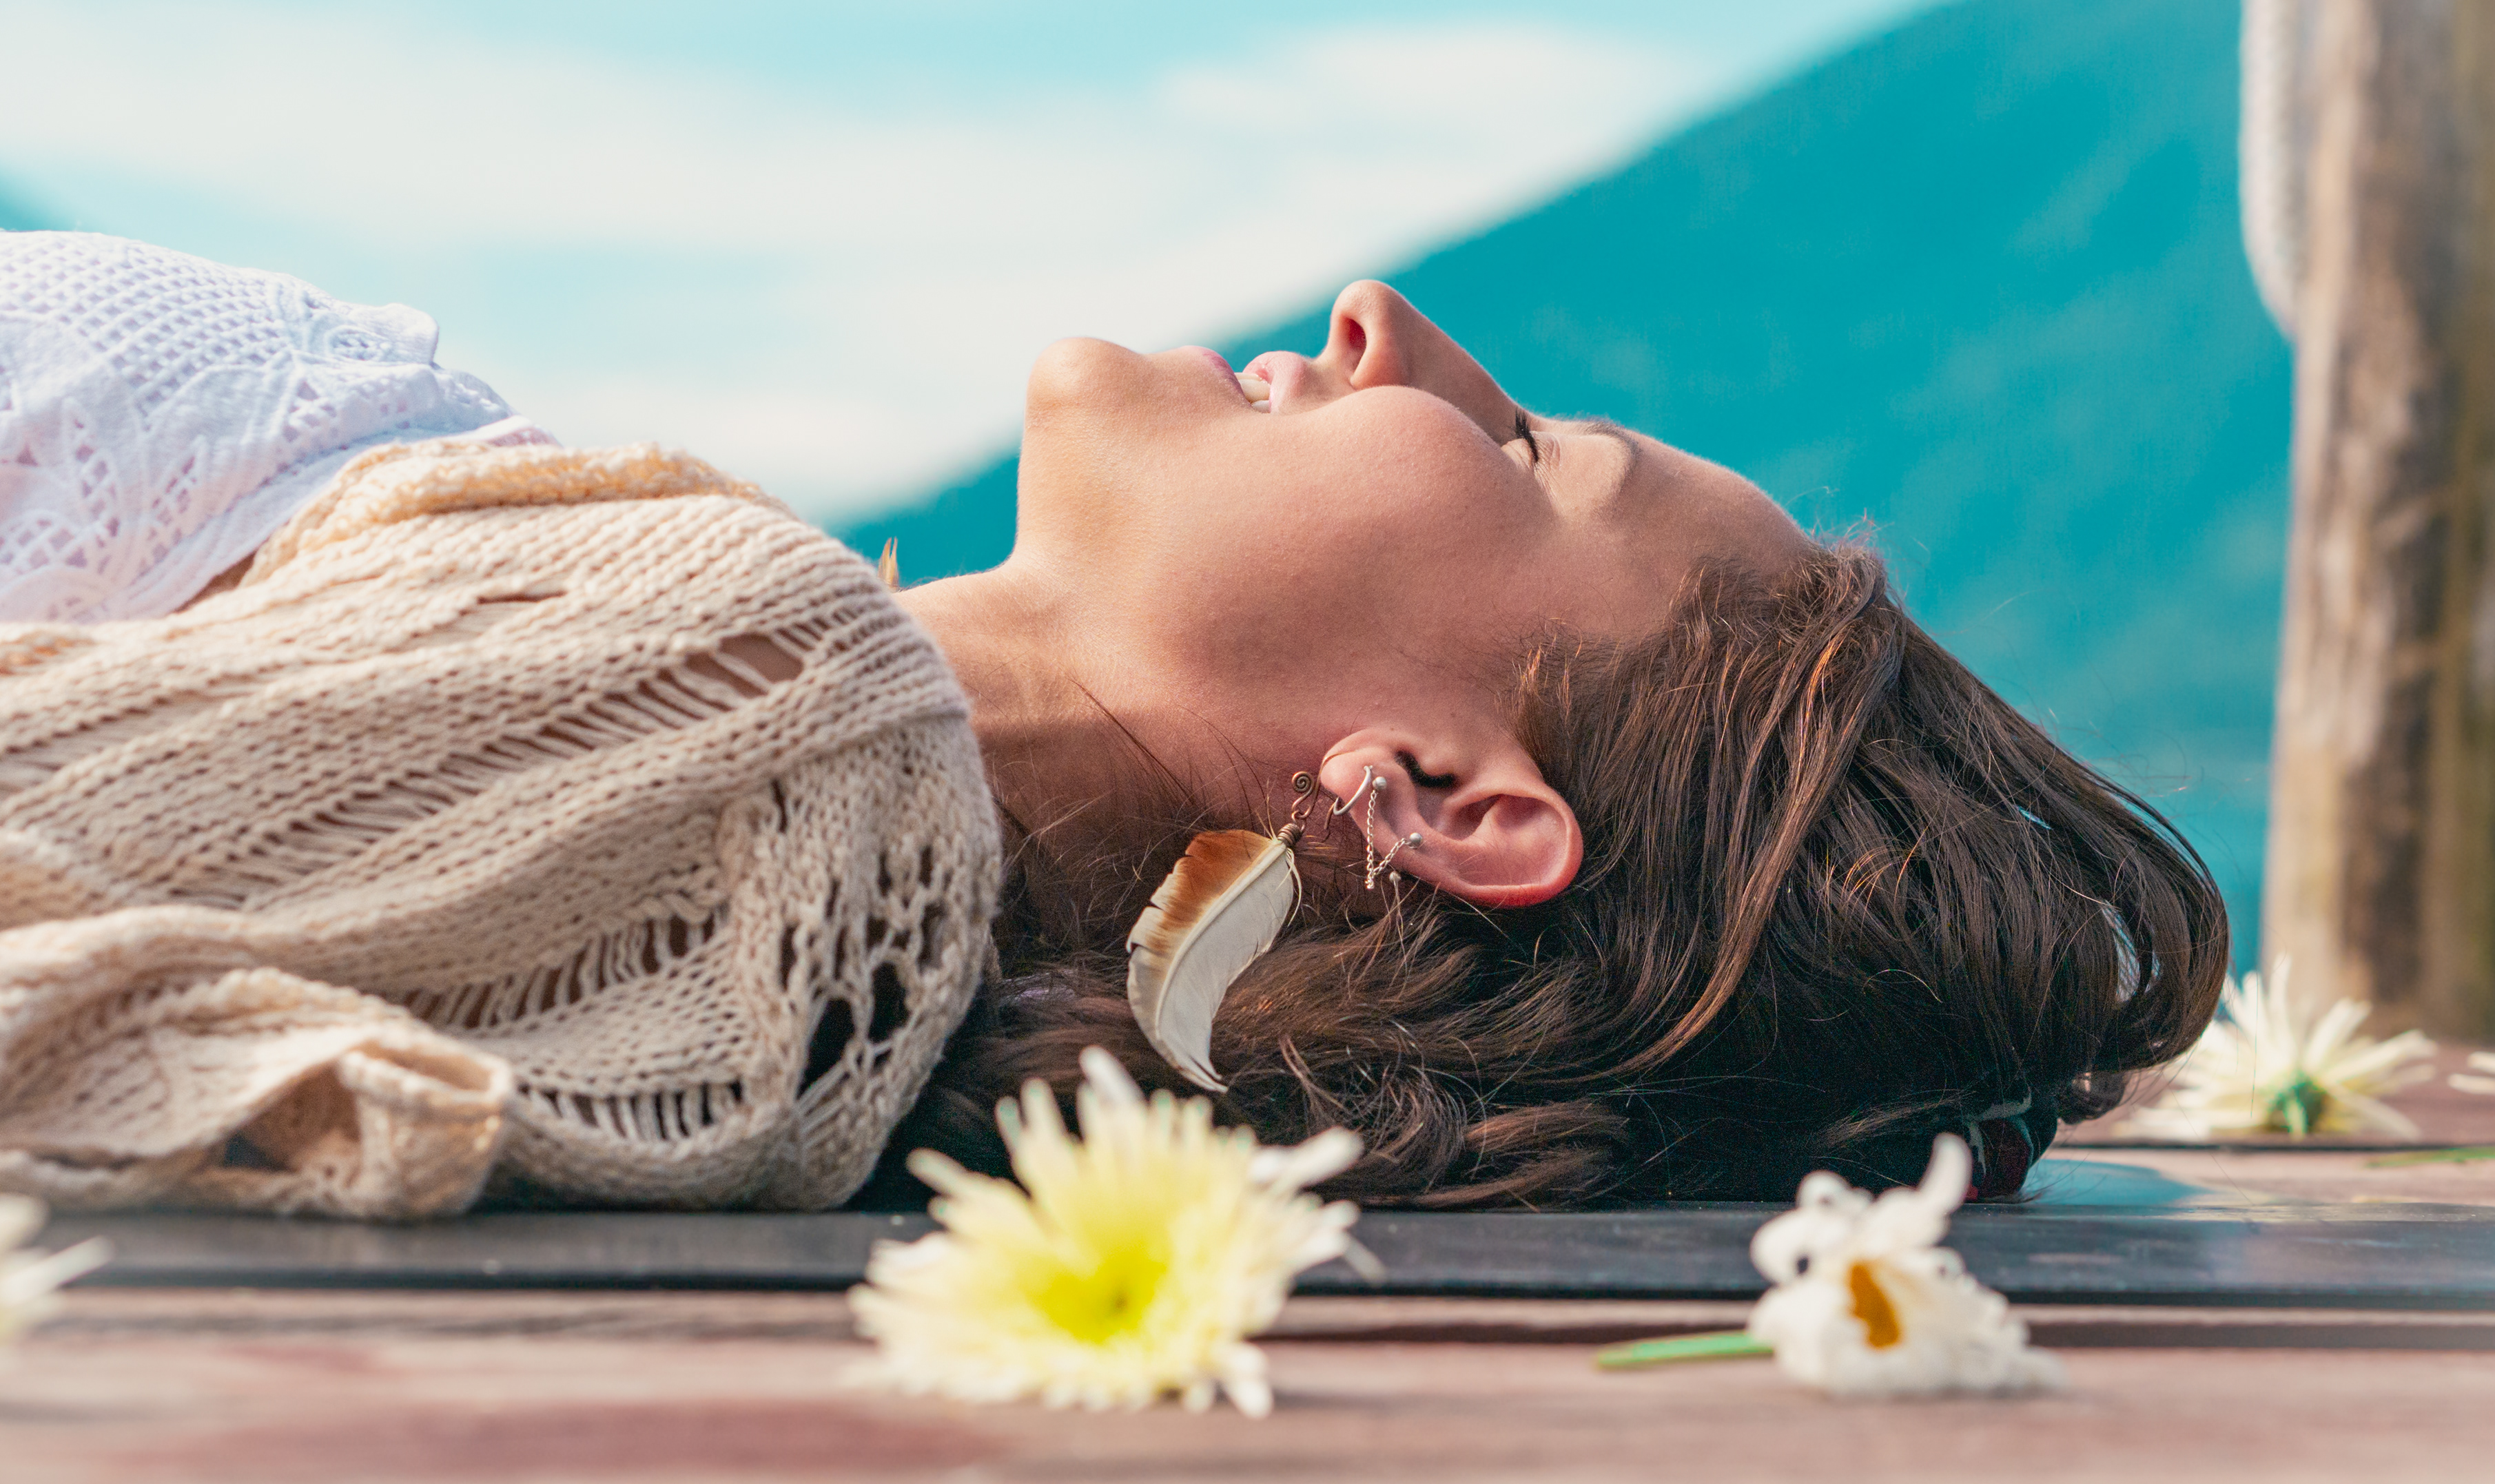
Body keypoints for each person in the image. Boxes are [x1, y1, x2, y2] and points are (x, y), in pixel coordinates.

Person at [0, 234, 2226, 1216]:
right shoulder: (728, 750)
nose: (1393, 325)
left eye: (1528, 446)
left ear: (1441, 799)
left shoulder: (757, 717)